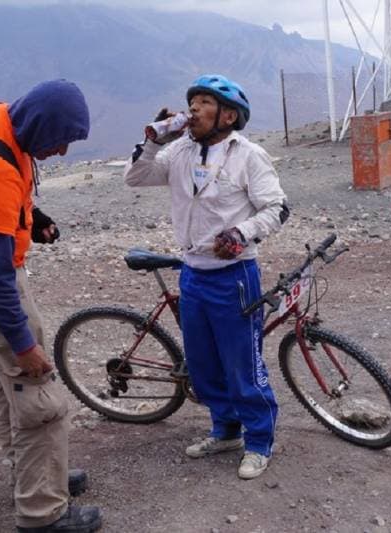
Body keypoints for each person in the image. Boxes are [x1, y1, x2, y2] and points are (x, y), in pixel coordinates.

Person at [0, 80, 102, 533]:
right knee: (35, 390)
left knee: (5, 381)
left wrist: (36, 221)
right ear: (38, 126)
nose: (62, 151)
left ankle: (35, 474)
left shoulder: (0, 118)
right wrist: (25, 344)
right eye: (59, 141)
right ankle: (41, 513)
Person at [125, 74, 289, 480]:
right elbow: (135, 178)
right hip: (193, 273)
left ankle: (259, 440)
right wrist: (153, 141)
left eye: (204, 103)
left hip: (234, 276)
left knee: (242, 364)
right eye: (191, 101)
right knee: (203, 363)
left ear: (228, 115)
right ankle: (225, 431)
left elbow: (278, 208)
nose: (193, 109)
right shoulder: (181, 150)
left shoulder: (248, 155)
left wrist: (241, 233)